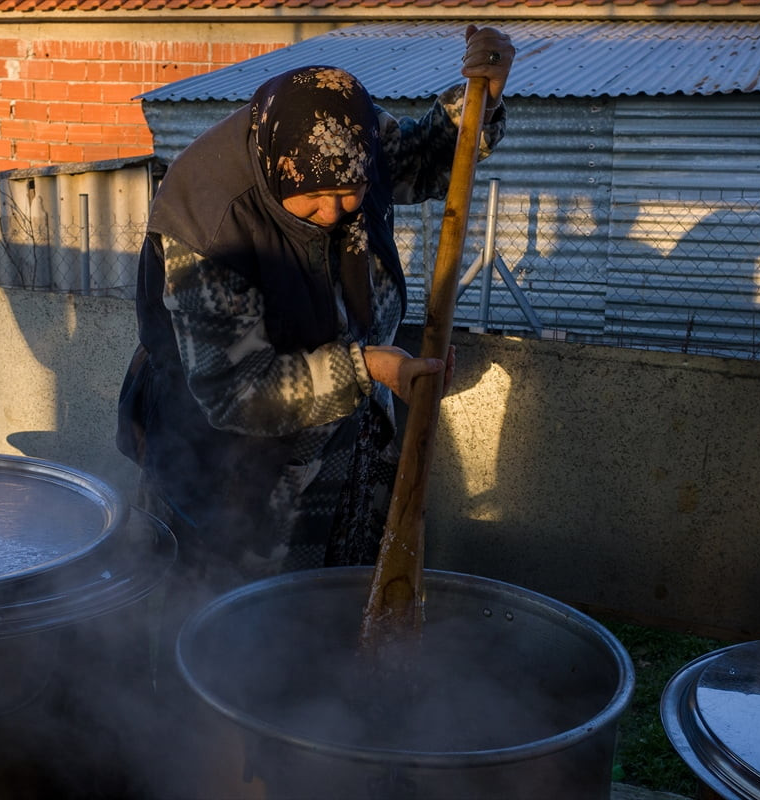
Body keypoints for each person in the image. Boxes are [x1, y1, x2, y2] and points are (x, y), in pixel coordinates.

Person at [117, 25, 515, 590]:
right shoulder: (209, 226)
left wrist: (483, 94)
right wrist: (369, 367)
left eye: (348, 194)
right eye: (314, 198)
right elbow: (236, 394)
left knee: (330, 598)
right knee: (234, 614)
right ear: (277, 169)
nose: (332, 213)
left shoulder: (354, 139)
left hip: (336, 431)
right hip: (231, 456)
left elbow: (426, 163)